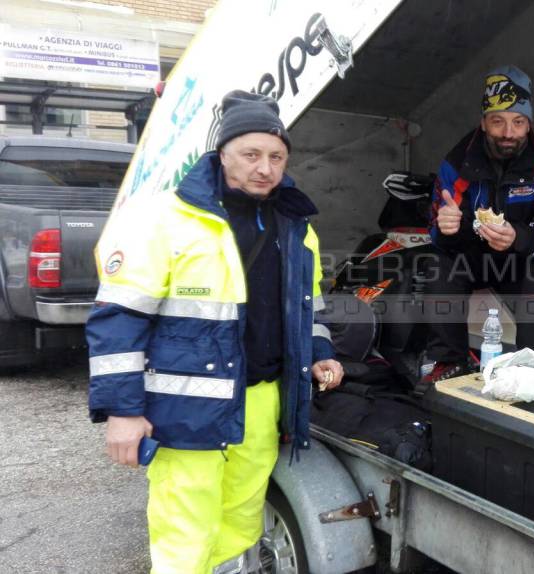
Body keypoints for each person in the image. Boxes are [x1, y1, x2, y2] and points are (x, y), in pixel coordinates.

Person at [85, 90, 343, 573]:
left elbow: (309, 306)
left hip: (264, 400)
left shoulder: (296, 227)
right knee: (186, 528)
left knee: (242, 518)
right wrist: (122, 411)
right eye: (251, 154)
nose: (265, 168)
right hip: (187, 407)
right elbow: (118, 318)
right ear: (221, 153)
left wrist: (320, 351)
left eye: (276, 156)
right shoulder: (163, 217)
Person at [420, 65, 534, 384]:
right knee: (438, 266)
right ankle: (447, 363)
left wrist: (519, 238)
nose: (508, 133)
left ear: (529, 123)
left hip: (521, 257)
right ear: (484, 122)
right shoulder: (458, 161)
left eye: (518, 122)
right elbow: (435, 224)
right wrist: (446, 227)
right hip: (472, 255)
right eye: (498, 121)